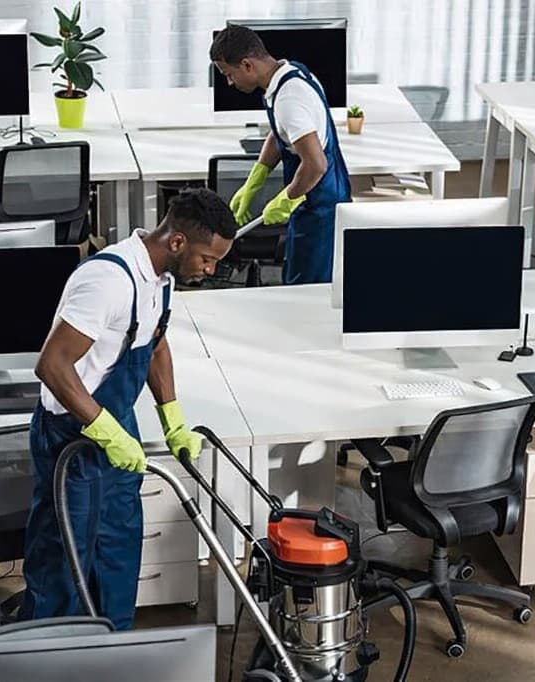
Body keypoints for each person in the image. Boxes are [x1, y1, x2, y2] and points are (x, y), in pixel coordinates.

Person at [19, 188, 237, 630]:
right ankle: (48, 660)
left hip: (117, 432)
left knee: (117, 554)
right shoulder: (107, 281)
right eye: (207, 260)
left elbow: (154, 343)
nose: (210, 271)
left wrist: (171, 419)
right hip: (71, 441)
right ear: (177, 242)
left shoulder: (162, 277)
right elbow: (53, 365)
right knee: (65, 563)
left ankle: (112, 652)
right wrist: (106, 432)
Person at [210, 24, 351, 285]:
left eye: (229, 74)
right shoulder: (289, 73)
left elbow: (316, 164)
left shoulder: (289, 100)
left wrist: (287, 198)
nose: (229, 82)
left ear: (247, 64)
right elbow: (280, 134)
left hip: (321, 209)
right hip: (310, 203)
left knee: (307, 289)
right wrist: (255, 180)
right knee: (295, 278)